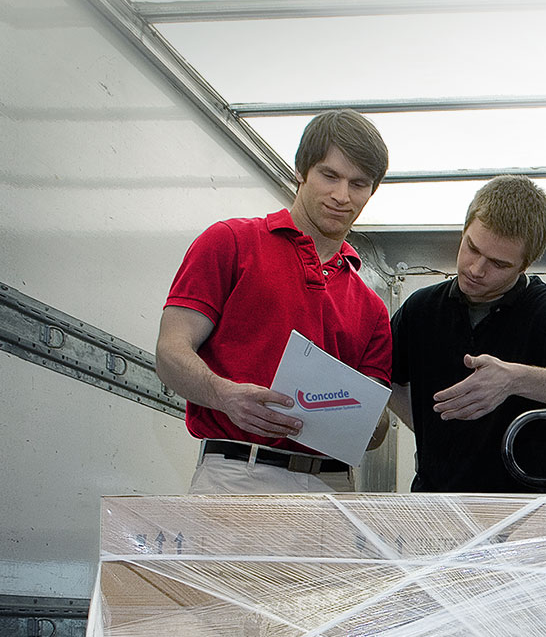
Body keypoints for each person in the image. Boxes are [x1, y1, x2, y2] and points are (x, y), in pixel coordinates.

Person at [155, 109, 391, 494]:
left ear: (372, 191)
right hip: (237, 475)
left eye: (358, 184)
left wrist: (367, 421)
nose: (341, 196)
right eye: (329, 175)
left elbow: (376, 429)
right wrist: (224, 395)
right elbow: (169, 351)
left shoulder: (373, 309)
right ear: (301, 171)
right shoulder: (230, 242)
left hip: (333, 486)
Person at [389, 175, 546, 493]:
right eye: (472, 248)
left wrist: (515, 380)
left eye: (498, 264)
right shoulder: (421, 309)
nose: (476, 269)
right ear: (464, 230)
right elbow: (384, 378)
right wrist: (435, 429)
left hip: (526, 511)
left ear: (525, 265)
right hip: (437, 504)